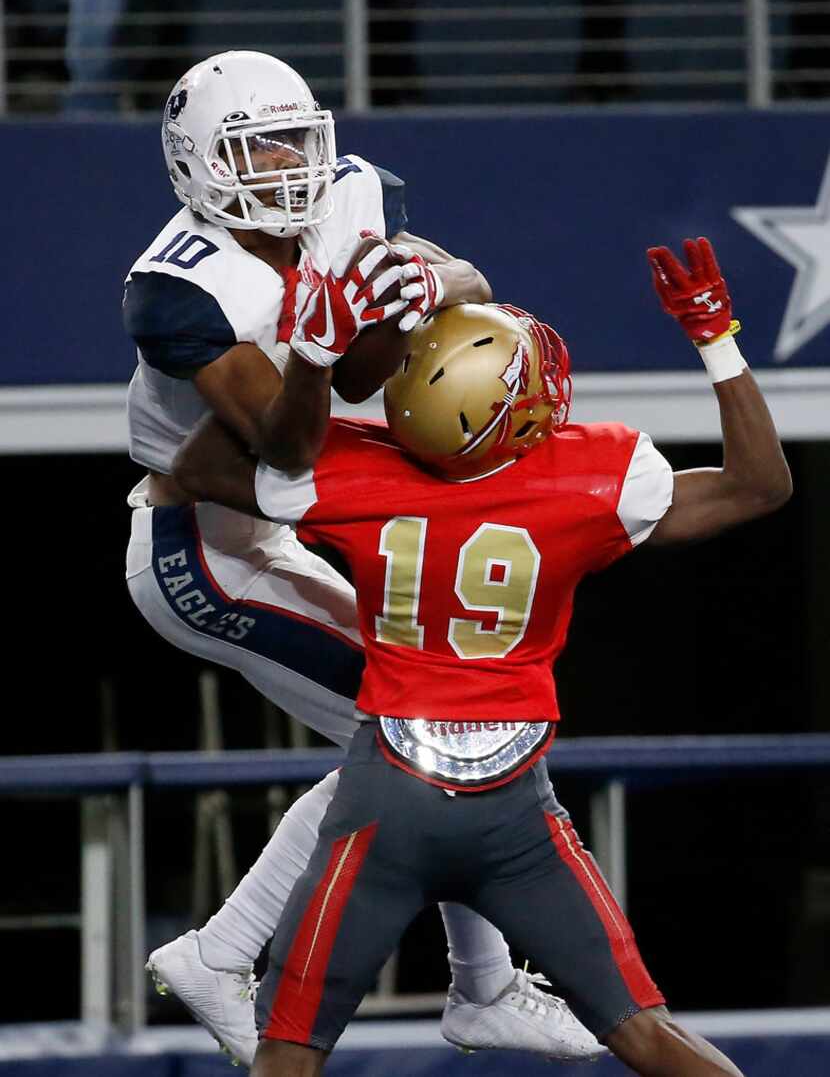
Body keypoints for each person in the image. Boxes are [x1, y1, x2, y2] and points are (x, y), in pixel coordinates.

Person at [171, 236, 791, 1077]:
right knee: (646, 1030)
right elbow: (760, 483)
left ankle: (466, 986)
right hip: (512, 810)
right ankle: (489, 990)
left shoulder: (352, 476)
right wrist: (716, 340)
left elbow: (199, 467)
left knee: (288, 1048)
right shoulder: (587, 477)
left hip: (385, 796)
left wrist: (311, 355)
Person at [125, 49, 599, 1066]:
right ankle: (227, 951)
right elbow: (280, 448)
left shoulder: (346, 194)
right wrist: (320, 331)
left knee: (444, 713)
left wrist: (413, 280)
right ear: (198, 165)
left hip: (267, 527)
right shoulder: (180, 288)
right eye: (255, 149)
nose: (286, 166)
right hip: (201, 545)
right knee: (413, 731)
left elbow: (443, 298)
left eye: (296, 138)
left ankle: (477, 989)